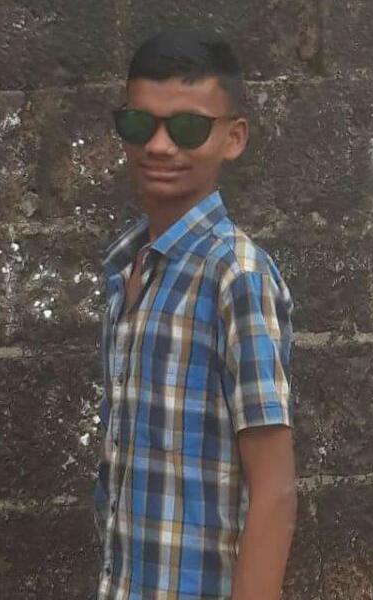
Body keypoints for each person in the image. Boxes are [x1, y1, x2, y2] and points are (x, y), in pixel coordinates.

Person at [94, 28, 297, 600]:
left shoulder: (237, 276)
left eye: (187, 128)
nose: (160, 146)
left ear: (233, 138)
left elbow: (275, 490)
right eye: (140, 124)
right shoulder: (128, 269)